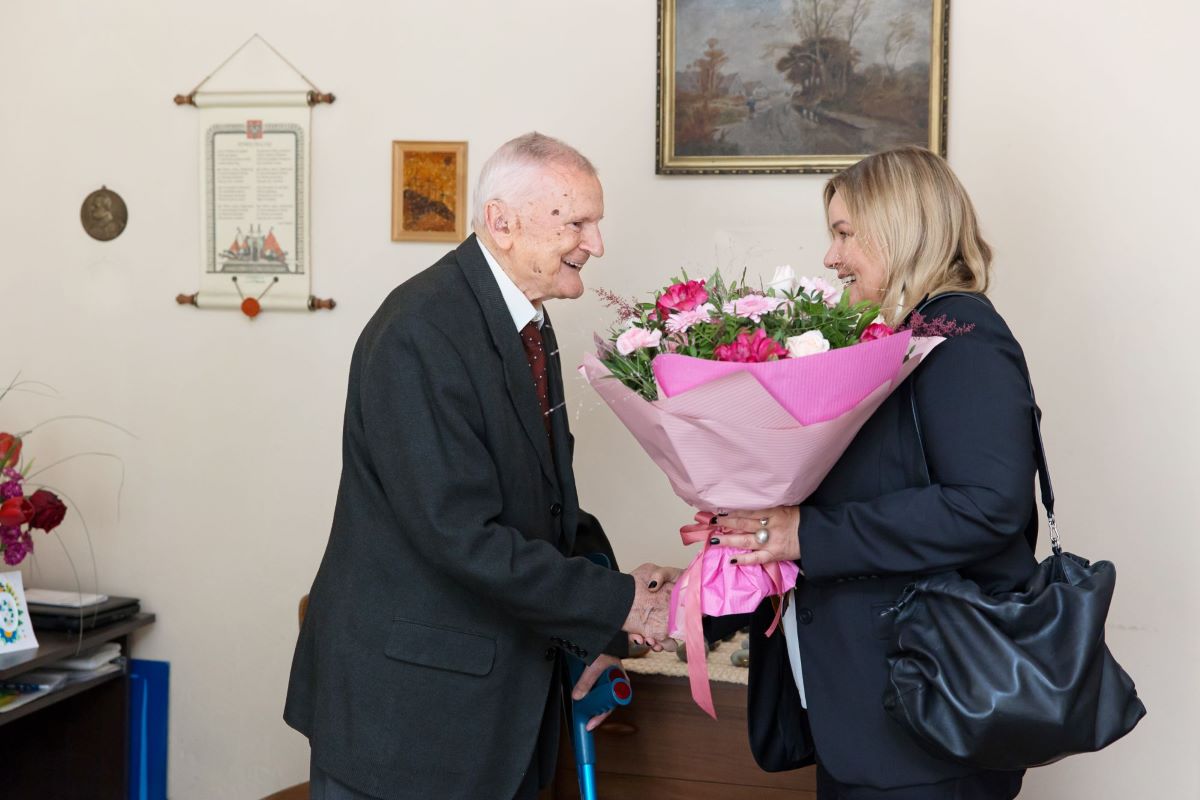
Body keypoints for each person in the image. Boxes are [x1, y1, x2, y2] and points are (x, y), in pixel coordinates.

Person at [285, 132, 673, 800]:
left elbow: (548, 507)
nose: (596, 244)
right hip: (412, 721)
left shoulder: (527, 324)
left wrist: (607, 615)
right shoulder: (420, 332)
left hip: (493, 713)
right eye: (577, 223)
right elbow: (460, 535)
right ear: (502, 223)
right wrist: (622, 605)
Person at [650, 146, 1037, 799]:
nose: (830, 257)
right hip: (878, 719)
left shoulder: (964, 338)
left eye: (844, 233)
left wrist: (804, 533)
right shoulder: (905, 337)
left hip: (927, 725)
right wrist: (704, 584)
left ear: (900, 227)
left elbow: (986, 505)